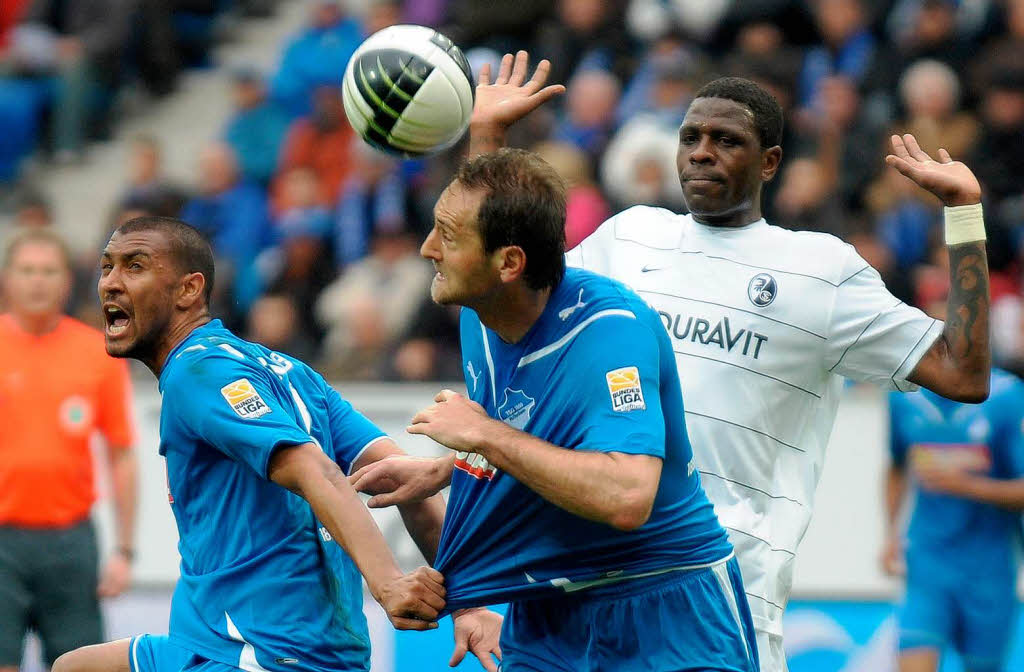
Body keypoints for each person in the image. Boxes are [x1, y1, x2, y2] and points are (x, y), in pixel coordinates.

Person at [357, 52, 993, 671]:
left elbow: (963, 373)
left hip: (724, 587)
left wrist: (964, 216)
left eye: (726, 140)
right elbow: (504, 279)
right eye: (690, 136)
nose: (701, 151)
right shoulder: (630, 236)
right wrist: (488, 138)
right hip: (579, 579)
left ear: (770, 161)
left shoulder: (820, 272)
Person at [353, 143, 760, 671]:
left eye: (447, 237)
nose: (428, 247)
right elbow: (542, 436)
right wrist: (442, 470)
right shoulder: (480, 314)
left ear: (510, 263)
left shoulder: (610, 332)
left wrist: (484, 436)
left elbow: (628, 496)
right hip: (547, 617)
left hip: (663, 606)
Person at [50, 216, 501, 672]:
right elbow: (405, 482)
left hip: (258, 654)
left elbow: (313, 470)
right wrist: (470, 603)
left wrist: (387, 586)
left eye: (134, 266)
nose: (110, 283)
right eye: (107, 267)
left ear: (189, 290)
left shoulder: (196, 373)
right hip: (236, 644)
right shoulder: (290, 371)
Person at [0, 228, 137, 672]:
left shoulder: (97, 352)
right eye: (26, 270)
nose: (37, 281)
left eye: (48, 271)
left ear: (66, 280)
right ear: (7, 278)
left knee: (77, 664)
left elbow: (122, 454)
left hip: (70, 542)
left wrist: (125, 549)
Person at [883, 367, 1024, 672]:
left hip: (990, 568)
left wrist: (967, 486)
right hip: (928, 562)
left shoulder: (1005, 395)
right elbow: (895, 466)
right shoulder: (904, 394)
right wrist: (890, 535)